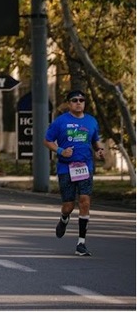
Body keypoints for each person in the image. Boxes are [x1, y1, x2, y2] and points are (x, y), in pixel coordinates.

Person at [43, 90, 104, 257]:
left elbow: (95, 139)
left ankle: (81, 243)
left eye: (81, 100)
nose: (79, 103)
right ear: (69, 103)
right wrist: (61, 151)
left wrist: (99, 150)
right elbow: (47, 141)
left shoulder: (91, 121)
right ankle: (64, 218)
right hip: (66, 168)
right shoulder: (60, 122)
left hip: (85, 166)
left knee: (84, 201)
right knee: (69, 206)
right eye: (75, 100)